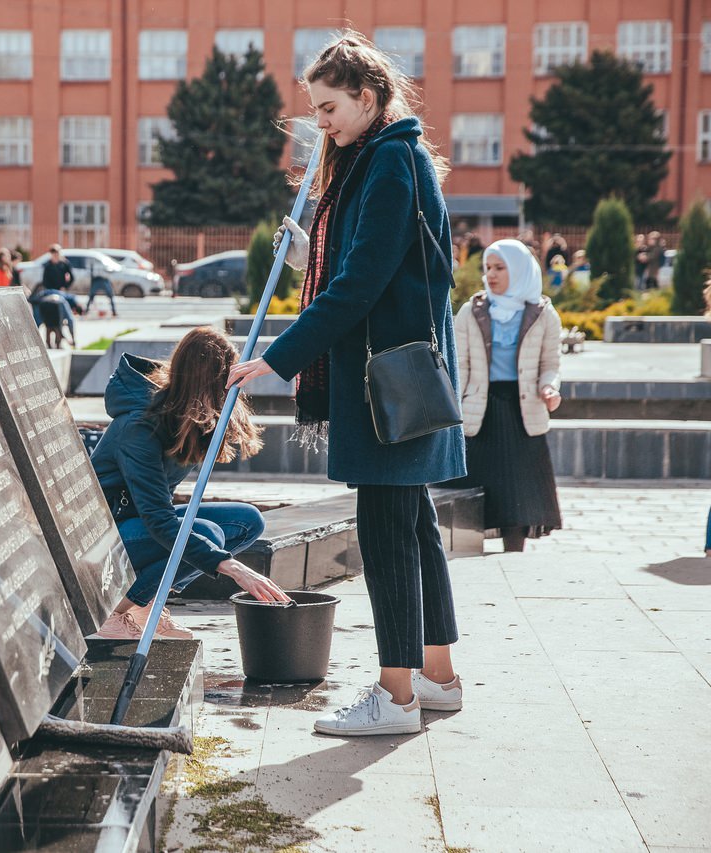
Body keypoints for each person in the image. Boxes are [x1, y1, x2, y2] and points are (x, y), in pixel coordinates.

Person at [226, 31, 465, 736]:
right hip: (394, 376)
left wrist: (280, 355)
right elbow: (373, 269)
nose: (320, 123)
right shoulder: (380, 159)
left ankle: (395, 696)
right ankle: (437, 677)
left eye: (329, 107)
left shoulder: (390, 164)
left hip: (382, 384)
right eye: (314, 110)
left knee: (389, 532)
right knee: (416, 528)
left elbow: (361, 284)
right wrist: (309, 261)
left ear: (368, 97)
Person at [92, 328, 291, 640]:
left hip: (136, 524)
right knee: (208, 534)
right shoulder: (138, 427)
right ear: (210, 380)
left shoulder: (182, 415)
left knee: (246, 520)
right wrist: (232, 567)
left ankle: (144, 604)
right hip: (102, 539)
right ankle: (114, 609)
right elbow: (159, 520)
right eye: (230, 375)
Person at [451, 240, 563, 553]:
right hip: (479, 409)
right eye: (488, 268)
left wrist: (549, 387)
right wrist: (451, 407)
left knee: (519, 487)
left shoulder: (543, 313)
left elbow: (550, 364)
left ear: (520, 270)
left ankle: (515, 551)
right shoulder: (470, 312)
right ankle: (465, 544)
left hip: (522, 410)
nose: (492, 275)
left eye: (500, 268)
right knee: (475, 482)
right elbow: (459, 364)